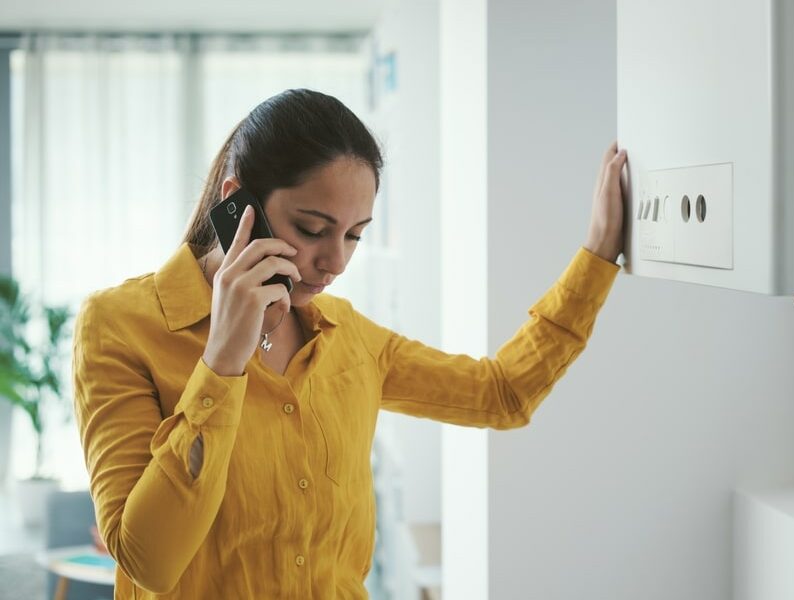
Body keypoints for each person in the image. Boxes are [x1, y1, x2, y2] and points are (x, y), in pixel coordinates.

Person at [72, 88, 627, 599]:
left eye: (354, 234)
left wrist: (598, 255)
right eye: (313, 229)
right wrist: (221, 363)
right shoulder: (119, 327)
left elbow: (502, 393)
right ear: (237, 202)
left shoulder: (347, 335)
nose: (335, 262)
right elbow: (150, 561)